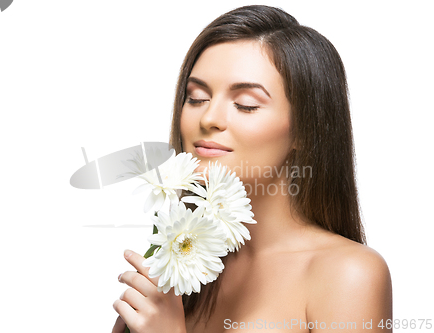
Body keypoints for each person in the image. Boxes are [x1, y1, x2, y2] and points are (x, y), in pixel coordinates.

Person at [112, 5, 393, 333]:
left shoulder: (349, 275)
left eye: (246, 104)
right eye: (197, 97)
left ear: (305, 129)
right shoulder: (179, 263)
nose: (209, 119)